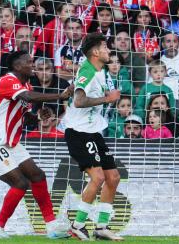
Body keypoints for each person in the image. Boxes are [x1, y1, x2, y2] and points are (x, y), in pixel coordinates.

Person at [0, 50, 72, 239]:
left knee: (37, 175)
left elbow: (23, 117)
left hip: (10, 142)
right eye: (29, 62)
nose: (33, 65)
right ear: (17, 66)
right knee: (20, 183)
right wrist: (60, 96)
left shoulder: (24, 84)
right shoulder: (8, 80)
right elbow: (28, 97)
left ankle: (51, 227)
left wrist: (36, 117)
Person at [64, 33, 123, 241]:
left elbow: (73, 89)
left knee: (113, 177)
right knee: (98, 177)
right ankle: (77, 225)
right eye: (105, 48)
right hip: (78, 132)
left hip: (93, 132)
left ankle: (101, 227)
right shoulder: (89, 71)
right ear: (96, 52)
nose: (109, 51)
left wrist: (67, 90)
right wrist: (107, 98)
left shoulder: (102, 71)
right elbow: (79, 101)